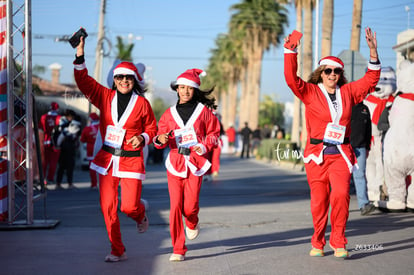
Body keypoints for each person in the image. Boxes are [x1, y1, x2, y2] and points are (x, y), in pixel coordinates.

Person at [283, 27, 381, 258]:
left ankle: (338, 240)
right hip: (316, 155)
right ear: (321, 73)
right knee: (319, 202)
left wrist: (374, 53)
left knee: (340, 195)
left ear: (340, 74)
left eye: (336, 71)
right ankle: (318, 241)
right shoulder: (310, 92)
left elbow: (370, 80)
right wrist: (290, 51)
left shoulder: (349, 92)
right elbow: (291, 79)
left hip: (341, 155)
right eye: (328, 71)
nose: (332, 74)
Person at [73, 35, 157, 262]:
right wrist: (80, 53)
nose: (123, 81)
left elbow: (152, 128)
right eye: (119, 77)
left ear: (134, 80)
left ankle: (140, 213)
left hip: (131, 161)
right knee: (108, 208)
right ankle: (117, 249)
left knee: (128, 207)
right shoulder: (104, 95)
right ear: (114, 79)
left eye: (128, 78)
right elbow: (83, 80)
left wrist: (143, 137)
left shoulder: (142, 104)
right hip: (107, 160)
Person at [153, 68, 220, 262]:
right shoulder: (169, 113)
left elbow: (214, 134)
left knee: (189, 207)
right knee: (175, 206)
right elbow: (159, 140)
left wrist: (204, 145)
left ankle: (192, 221)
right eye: (181, 87)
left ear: (195, 90)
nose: (185, 91)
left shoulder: (204, 112)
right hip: (174, 162)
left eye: (189, 88)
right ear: (176, 89)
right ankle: (178, 248)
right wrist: (161, 138)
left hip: (195, 163)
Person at [350, 102, 376, 215]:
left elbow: (368, 129)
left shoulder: (364, 109)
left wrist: (367, 147)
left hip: (361, 147)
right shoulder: (345, 104)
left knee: (360, 175)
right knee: (342, 178)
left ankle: (364, 205)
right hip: (345, 147)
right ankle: (340, 205)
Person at [55, 109, 81, 189]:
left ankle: (67, 183)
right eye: (71, 117)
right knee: (64, 166)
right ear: (68, 116)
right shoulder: (63, 124)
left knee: (67, 166)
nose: (72, 119)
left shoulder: (65, 123)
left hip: (67, 146)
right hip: (65, 147)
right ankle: (60, 184)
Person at [39, 102, 61, 185]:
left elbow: (40, 129)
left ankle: (43, 178)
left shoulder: (43, 117)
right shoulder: (59, 118)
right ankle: (50, 178)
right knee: (53, 162)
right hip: (55, 142)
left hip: (45, 141)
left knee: (44, 161)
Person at [80, 112, 100, 189]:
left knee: (92, 168)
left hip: (91, 150)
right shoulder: (103, 127)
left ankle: (94, 184)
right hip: (102, 149)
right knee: (103, 167)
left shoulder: (87, 129)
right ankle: (104, 184)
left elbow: (82, 140)